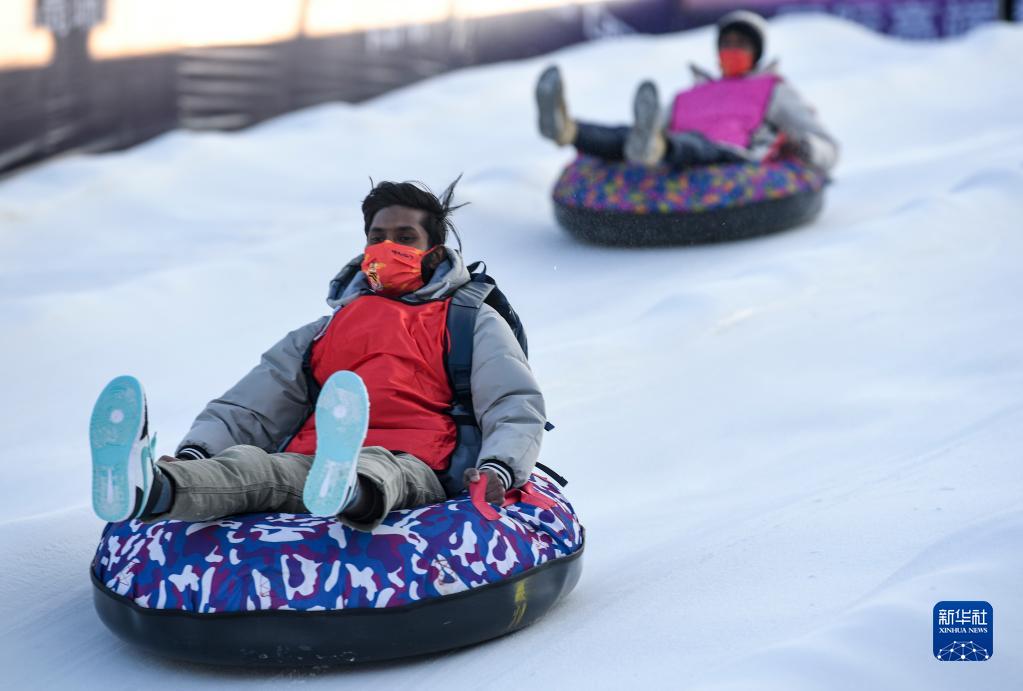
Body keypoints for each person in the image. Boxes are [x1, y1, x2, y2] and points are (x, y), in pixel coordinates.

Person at [89, 180, 545, 530]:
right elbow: (252, 404)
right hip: (314, 461)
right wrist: (196, 453)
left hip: (419, 461)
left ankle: (346, 489)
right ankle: (151, 488)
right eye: (377, 236)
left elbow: (512, 403)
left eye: (405, 237)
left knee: (377, 467)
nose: (388, 248)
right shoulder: (325, 332)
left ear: (434, 252)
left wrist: (499, 469)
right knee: (255, 468)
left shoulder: (468, 321)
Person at [536, 10, 838, 172]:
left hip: (732, 154)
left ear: (756, 53)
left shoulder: (772, 89)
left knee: (692, 144)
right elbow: (650, 127)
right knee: (627, 136)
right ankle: (567, 130)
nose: (732, 50)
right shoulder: (691, 93)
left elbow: (825, 142)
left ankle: (656, 149)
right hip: (674, 144)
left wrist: (810, 149)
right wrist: (647, 134)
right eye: (727, 44)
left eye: (741, 45)